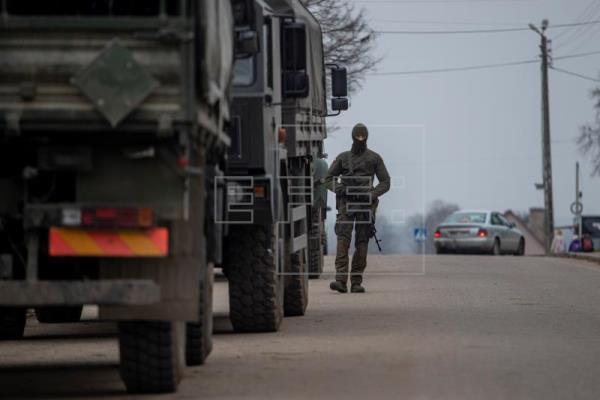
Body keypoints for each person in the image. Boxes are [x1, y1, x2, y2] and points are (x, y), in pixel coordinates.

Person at [324, 123, 390, 293]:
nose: (360, 139)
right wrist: (340, 189)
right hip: (346, 204)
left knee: (362, 242)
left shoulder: (374, 158)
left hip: (366, 206)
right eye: (357, 136)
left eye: (362, 136)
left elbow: (385, 182)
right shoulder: (343, 158)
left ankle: (356, 281)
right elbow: (328, 178)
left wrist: (372, 195)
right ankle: (340, 280)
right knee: (343, 240)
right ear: (353, 137)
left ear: (366, 137)